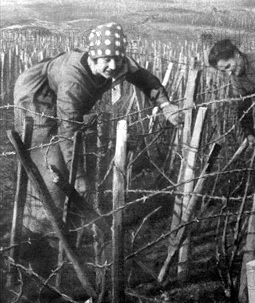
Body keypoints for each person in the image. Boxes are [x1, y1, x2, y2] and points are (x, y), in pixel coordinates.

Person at [12, 22, 182, 254]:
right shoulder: (74, 80)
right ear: (93, 56)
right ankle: (40, 232)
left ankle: (69, 218)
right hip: (36, 94)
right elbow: (68, 132)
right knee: (49, 162)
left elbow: (144, 78)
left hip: (65, 98)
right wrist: (78, 177)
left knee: (76, 160)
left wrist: (165, 104)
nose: (112, 66)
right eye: (106, 59)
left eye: (117, 59)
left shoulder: (118, 63)